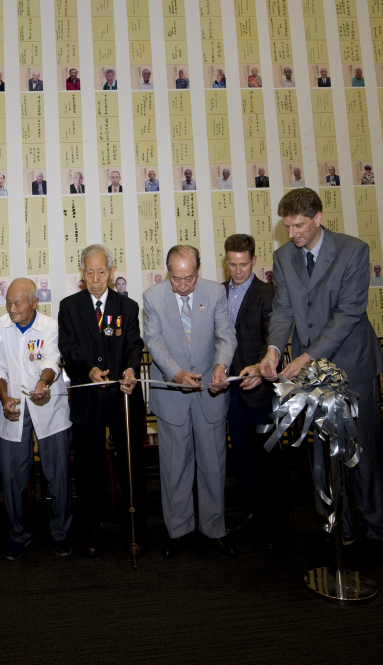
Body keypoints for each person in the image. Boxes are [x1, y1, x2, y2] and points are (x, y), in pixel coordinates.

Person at [259, 188, 383, 546]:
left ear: (318, 219)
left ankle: (375, 530)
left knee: (364, 452)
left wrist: (305, 357)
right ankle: (339, 531)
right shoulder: (284, 257)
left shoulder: (353, 251)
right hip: (312, 375)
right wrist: (272, 350)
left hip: (353, 367)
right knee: (325, 453)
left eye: (299, 226)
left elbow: (348, 314)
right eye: (287, 226)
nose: (292, 233)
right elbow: (283, 310)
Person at [143, 245, 237, 558]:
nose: (183, 285)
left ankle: (214, 529)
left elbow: (226, 334)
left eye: (189, 278)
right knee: (174, 467)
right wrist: (175, 373)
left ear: (198, 270)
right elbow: (154, 341)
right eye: (176, 278)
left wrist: (222, 364)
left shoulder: (214, 293)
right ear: (168, 271)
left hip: (210, 391)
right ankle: (178, 530)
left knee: (213, 464)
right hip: (173, 393)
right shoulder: (153, 297)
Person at [58, 244, 147, 557]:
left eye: (101, 271)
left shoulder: (128, 307)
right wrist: (89, 369)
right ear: (82, 274)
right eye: (90, 272)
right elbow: (68, 349)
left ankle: (132, 527)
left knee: (130, 467)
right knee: (88, 469)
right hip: (88, 399)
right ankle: (91, 530)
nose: (96, 278)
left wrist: (131, 369)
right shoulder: (70, 307)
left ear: (111, 272)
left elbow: (134, 345)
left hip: (123, 399)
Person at [0, 279, 72, 559]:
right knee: (13, 477)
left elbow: (51, 360)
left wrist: (43, 383)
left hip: (49, 406)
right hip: (12, 407)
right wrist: (3, 398)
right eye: (8, 302)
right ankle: (18, 533)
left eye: (18, 303)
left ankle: (60, 532)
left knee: (58, 474)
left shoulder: (49, 326)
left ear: (34, 303)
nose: (11, 309)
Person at [222, 235, 288, 550]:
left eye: (243, 264)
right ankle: (252, 512)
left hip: (262, 390)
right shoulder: (218, 293)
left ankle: (278, 521)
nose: (237, 270)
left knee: (270, 455)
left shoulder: (267, 293)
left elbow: (271, 338)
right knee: (243, 456)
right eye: (232, 264)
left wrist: (259, 369)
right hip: (233, 392)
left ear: (254, 259)